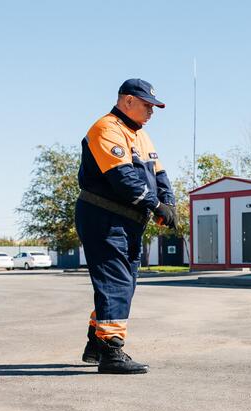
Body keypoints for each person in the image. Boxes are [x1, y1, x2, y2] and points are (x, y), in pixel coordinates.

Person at [75, 78, 177, 374]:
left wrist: (167, 203)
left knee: (125, 283)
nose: (152, 111)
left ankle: (97, 343)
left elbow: (159, 173)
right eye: (147, 105)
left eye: (154, 106)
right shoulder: (105, 129)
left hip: (127, 220)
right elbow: (123, 179)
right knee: (116, 282)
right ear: (127, 101)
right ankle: (111, 352)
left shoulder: (141, 135)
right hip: (103, 217)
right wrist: (155, 206)